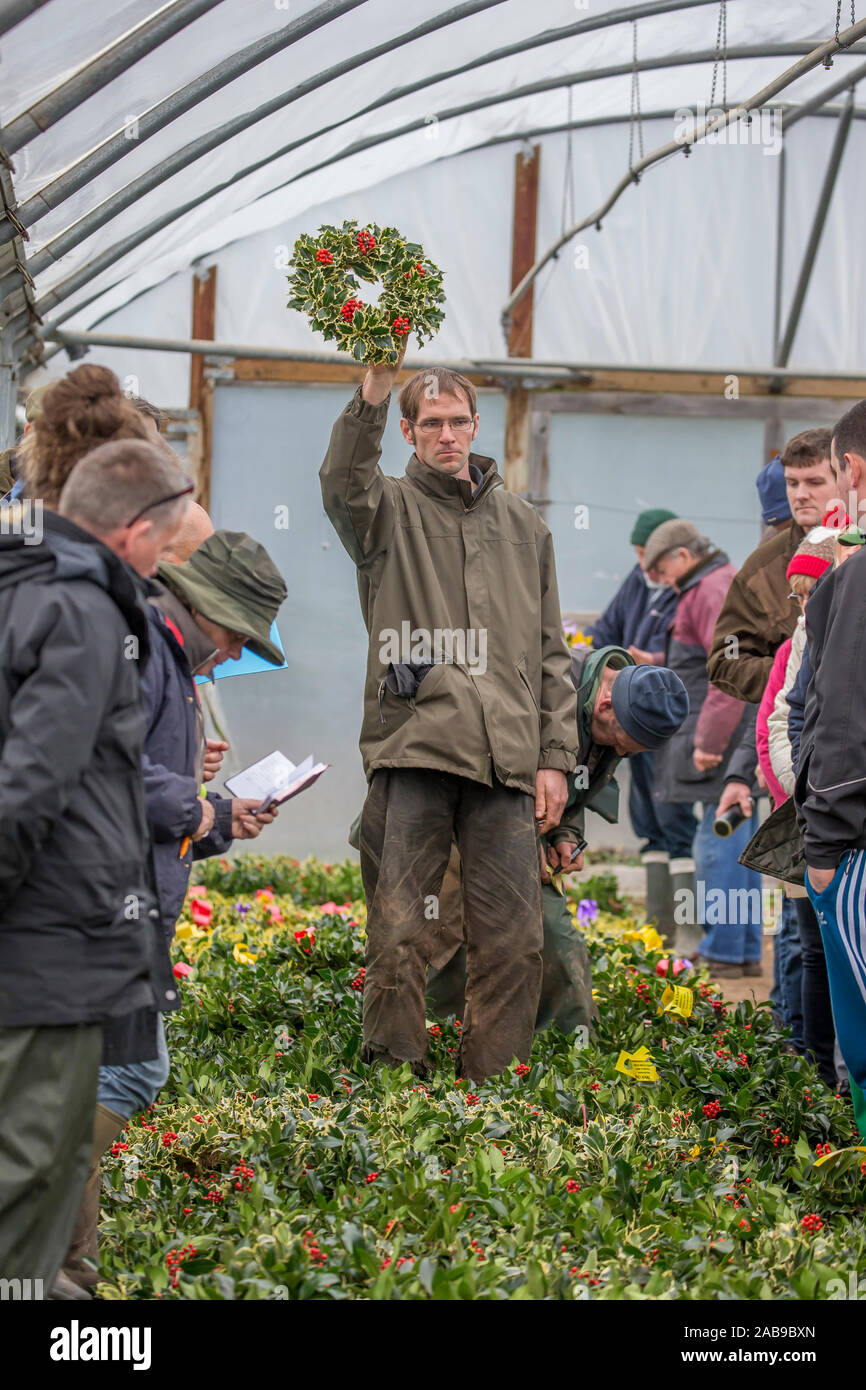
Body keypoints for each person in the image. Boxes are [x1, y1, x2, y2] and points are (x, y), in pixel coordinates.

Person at [320, 354, 577, 1082]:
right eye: (429, 423)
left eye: (458, 421)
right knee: (401, 932)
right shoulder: (387, 511)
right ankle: (395, 1088)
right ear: (406, 431)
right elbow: (343, 484)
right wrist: (371, 389)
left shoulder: (525, 525)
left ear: (474, 425)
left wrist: (554, 757)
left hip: (506, 764)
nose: (446, 435)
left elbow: (552, 651)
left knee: (515, 942)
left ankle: (490, 1098)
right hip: (417, 751)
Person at [55, 508, 288, 1294]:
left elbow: (164, 804)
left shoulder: (173, 664)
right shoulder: (146, 648)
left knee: (107, 1076)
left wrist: (222, 821)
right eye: (236, 638)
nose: (233, 655)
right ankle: (49, 1242)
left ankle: (67, 1265)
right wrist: (204, 810)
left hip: (127, 907)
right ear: (210, 610)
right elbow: (108, 769)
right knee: (121, 1076)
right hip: (98, 908)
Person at [0, 438, 188, 1295]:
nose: (161, 571)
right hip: (52, 947)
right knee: (31, 1170)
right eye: (166, 545)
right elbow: (32, 788)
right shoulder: (84, 611)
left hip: (42, 941)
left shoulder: (23, 579)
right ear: (133, 532)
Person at [427, 647, 689, 1031]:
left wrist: (565, 834)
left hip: (512, 830)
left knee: (553, 943)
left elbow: (575, 776)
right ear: (604, 707)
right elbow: (495, 783)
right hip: (450, 819)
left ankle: (566, 1056)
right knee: (447, 937)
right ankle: (428, 1049)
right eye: (620, 744)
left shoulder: (620, 703)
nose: (618, 753)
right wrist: (530, 848)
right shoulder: (542, 688)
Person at [642, 518, 760, 975]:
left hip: (720, 739)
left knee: (717, 841)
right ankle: (741, 950)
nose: (659, 580)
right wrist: (656, 661)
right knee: (737, 835)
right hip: (733, 735)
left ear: (684, 557)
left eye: (661, 569)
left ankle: (724, 948)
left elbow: (727, 672)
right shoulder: (716, 583)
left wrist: (709, 743)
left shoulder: (709, 589)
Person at [798, 400, 866, 1135]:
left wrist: (823, 848)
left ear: (850, 470)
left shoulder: (860, 576)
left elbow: (843, 720)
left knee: (864, 1043)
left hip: (857, 847)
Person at [588, 507, 695, 939]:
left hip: (665, 719)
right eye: (638, 556)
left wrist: (656, 666)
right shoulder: (638, 582)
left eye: (649, 558)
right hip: (628, 713)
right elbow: (605, 629)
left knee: (676, 819)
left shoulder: (688, 589)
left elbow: (698, 658)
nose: (645, 568)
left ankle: (688, 930)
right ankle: (659, 928)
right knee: (647, 818)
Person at [706, 429, 837, 703]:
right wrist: (795, 674)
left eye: (814, 482)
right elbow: (726, 658)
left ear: (846, 479)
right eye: (792, 483)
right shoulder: (761, 569)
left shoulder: (857, 549)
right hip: (797, 731)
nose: (800, 495)